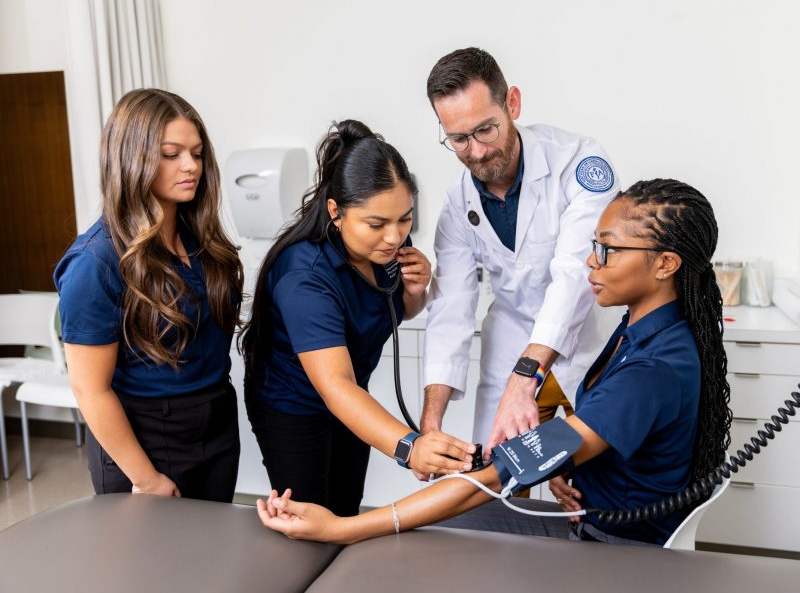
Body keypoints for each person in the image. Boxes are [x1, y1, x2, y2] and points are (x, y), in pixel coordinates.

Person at [257, 179, 732, 546]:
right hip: (595, 518)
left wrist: (344, 527)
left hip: (608, 545)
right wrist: (572, 461)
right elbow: (607, 430)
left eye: (607, 249)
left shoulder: (653, 368)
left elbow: (494, 478)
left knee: (432, 525)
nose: (590, 262)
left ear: (666, 265)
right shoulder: (647, 331)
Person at [240, 120, 475, 517]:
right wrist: (409, 448)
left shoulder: (389, 249)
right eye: (377, 224)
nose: (395, 236)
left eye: (405, 218)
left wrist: (415, 290)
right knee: (310, 515)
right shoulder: (305, 275)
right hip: (293, 406)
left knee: (346, 508)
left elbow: (395, 310)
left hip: (352, 397)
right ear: (336, 212)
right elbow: (335, 385)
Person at [420, 47, 622, 459]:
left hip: (592, 341)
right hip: (511, 338)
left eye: (485, 130)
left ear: (512, 103)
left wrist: (526, 373)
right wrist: (430, 425)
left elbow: (574, 274)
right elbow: (450, 310)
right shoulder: (457, 204)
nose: (475, 152)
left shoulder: (579, 162)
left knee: (602, 477)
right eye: (458, 139)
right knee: (494, 478)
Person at [54, 88, 244, 502]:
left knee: (212, 560)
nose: (190, 166)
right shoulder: (96, 262)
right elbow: (90, 390)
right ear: (132, 158)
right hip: (144, 441)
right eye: (171, 154)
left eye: (196, 153)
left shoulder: (203, 242)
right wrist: (146, 478)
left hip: (215, 426)